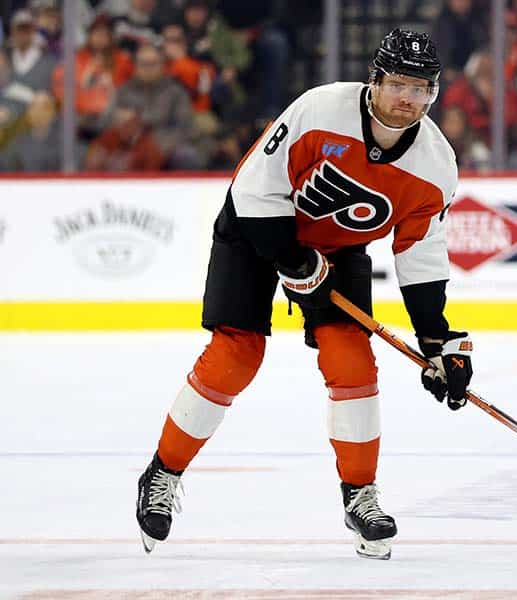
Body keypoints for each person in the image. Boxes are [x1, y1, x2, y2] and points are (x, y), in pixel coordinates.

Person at [135, 29, 474, 561]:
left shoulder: (435, 164)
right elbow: (254, 186)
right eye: (400, 85)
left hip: (338, 250)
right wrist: (292, 262)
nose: (409, 100)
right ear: (375, 80)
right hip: (256, 229)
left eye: (422, 89)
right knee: (236, 355)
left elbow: (420, 256)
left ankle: (360, 495)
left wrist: (437, 340)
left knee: (353, 361)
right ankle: (162, 473)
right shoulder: (320, 110)